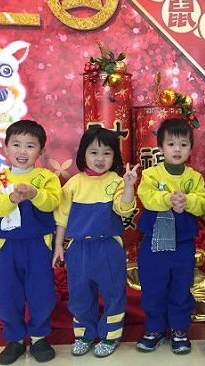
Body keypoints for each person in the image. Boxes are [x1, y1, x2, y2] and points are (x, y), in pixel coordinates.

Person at [51, 126, 140, 357]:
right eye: (94, 152)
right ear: (83, 154)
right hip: (78, 249)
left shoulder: (116, 181)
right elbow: (61, 218)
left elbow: (124, 209)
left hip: (108, 247)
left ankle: (110, 336)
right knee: (80, 294)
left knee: (113, 293)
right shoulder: (73, 184)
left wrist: (129, 185)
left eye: (107, 153)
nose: (100, 159)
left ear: (114, 157)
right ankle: (84, 334)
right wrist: (59, 246)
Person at [0, 120, 62, 365]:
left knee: (41, 292)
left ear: (41, 150)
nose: (22, 151)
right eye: (16, 144)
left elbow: (52, 203)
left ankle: (38, 337)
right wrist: (11, 199)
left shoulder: (47, 178)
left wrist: (35, 194)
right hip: (8, 247)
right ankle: (14, 339)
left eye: (30, 146)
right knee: (8, 293)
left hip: (39, 245)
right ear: (6, 148)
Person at [135, 117, 205, 354]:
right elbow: (146, 197)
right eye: (171, 144)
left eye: (183, 144)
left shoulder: (193, 178)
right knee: (153, 287)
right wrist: (168, 199)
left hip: (183, 245)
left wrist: (187, 201)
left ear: (190, 148)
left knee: (180, 287)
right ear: (160, 147)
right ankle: (155, 329)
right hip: (153, 244)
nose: (177, 149)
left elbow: (203, 202)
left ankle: (179, 329)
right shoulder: (151, 174)